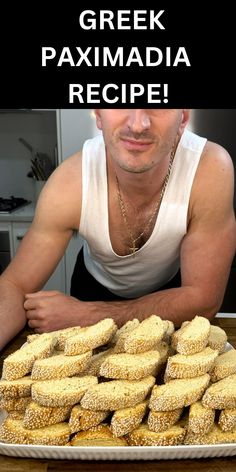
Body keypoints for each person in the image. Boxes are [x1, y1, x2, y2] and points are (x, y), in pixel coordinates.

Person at [0, 109, 235, 350]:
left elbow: (203, 299)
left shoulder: (210, 168)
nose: (138, 125)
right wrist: (88, 314)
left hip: (171, 295)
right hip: (93, 289)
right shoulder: (70, 183)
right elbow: (15, 286)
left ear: (183, 118)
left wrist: (88, 315)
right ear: (99, 115)